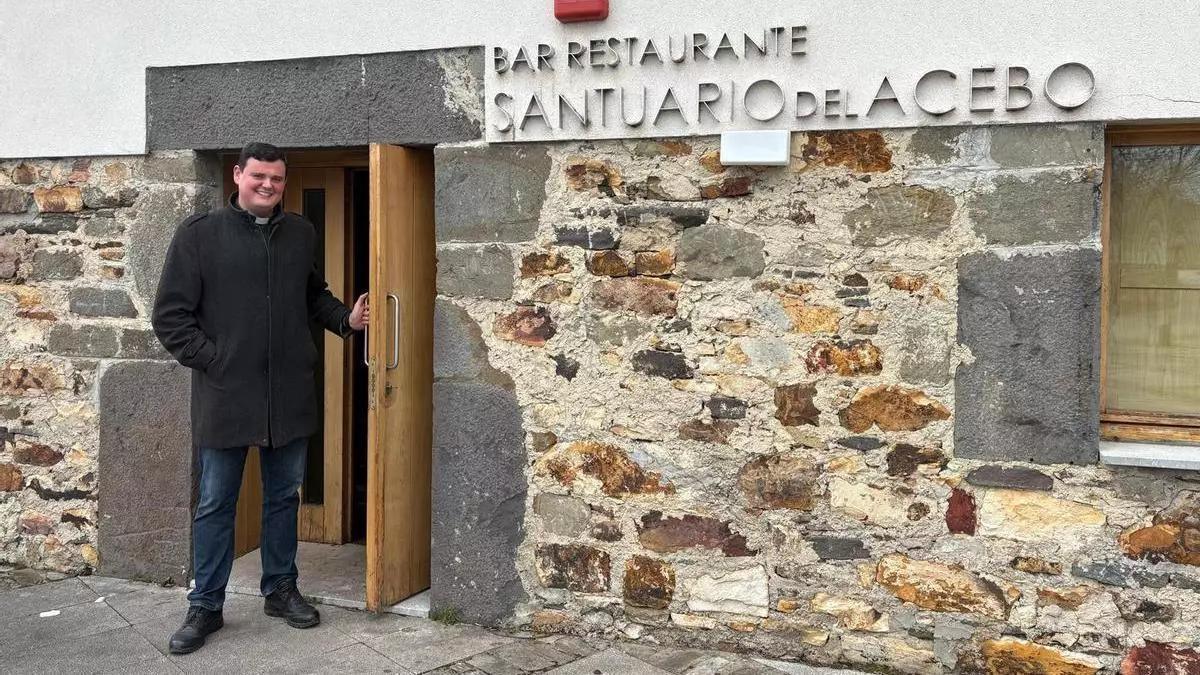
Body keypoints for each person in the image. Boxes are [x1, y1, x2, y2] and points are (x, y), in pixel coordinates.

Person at [152, 142, 369, 654]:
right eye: (258, 177)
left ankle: (280, 589)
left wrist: (345, 319)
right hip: (226, 396)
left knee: (282, 498)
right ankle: (205, 604)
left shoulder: (300, 233)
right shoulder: (198, 235)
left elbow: (312, 293)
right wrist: (215, 359)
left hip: (289, 394)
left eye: (276, 178)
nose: (267, 186)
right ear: (238, 175)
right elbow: (171, 316)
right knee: (215, 503)